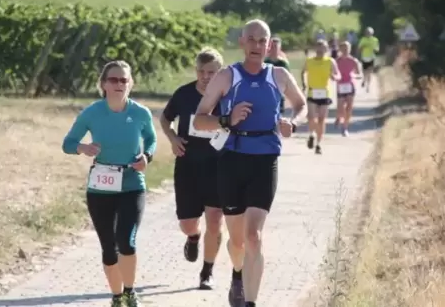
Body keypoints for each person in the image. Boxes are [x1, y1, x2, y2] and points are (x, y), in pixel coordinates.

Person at [193, 19, 307, 307]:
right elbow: (199, 119)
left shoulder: (279, 75)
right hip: (232, 159)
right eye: (252, 40)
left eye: (262, 40)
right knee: (237, 242)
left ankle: (251, 302)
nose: (257, 46)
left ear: (269, 45)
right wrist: (226, 119)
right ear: (242, 42)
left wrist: (292, 122)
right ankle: (237, 273)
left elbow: (301, 104)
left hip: (265, 159)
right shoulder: (226, 76)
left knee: (254, 236)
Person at [62, 60, 157, 307]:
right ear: (103, 84)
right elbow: (68, 143)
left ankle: (129, 291)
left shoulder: (140, 113)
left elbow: (151, 139)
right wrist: (83, 147)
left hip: (132, 182)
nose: (118, 84)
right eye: (113, 80)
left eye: (123, 80)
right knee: (108, 246)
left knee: (126, 240)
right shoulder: (92, 112)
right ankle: (116, 297)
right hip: (101, 186)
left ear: (130, 84)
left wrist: (146, 156)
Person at [159, 47, 224, 290]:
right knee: (187, 222)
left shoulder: (226, 96)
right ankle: (193, 236)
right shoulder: (184, 94)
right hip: (187, 164)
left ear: (220, 72)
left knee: (215, 219)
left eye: (212, 72)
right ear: (196, 71)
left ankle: (207, 272)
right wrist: (173, 138)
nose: (206, 77)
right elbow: (165, 118)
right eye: (202, 72)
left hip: (217, 165)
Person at [301, 39, 341, 155]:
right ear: (315, 49)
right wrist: (304, 84)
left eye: (323, 47)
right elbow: (303, 72)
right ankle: (312, 134)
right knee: (311, 118)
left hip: (324, 93)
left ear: (326, 49)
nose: (320, 50)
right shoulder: (309, 61)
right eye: (318, 47)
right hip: (312, 92)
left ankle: (318, 144)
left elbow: (338, 75)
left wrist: (335, 77)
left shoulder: (330, 61)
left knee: (322, 120)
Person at [335, 41, 363, 136]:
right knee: (340, 108)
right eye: (343, 48)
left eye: (347, 48)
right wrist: (334, 77)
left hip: (350, 85)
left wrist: (354, 75)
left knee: (349, 108)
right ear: (340, 49)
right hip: (341, 85)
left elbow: (360, 74)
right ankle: (339, 116)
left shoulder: (353, 61)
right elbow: (333, 72)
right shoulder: (337, 61)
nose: (345, 50)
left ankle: (345, 128)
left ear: (350, 49)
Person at [264, 37, 290, 114]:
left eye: (276, 47)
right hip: (267, 94)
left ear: (279, 48)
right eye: (272, 46)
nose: (274, 49)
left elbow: (288, 78)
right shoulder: (265, 62)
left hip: (279, 94)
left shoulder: (283, 63)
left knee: (278, 117)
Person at [358, 27, 380, 92]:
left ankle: (368, 87)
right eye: (367, 32)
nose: (368, 34)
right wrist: (363, 47)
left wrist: (374, 49)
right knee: (364, 72)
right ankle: (364, 80)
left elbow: (377, 49)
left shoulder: (375, 40)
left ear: (372, 33)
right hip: (364, 57)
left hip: (371, 57)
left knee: (369, 72)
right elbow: (359, 49)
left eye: (369, 33)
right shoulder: (363, 39)